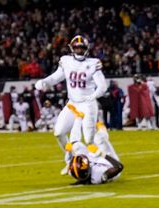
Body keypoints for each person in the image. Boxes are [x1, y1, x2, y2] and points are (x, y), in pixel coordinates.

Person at [35, 35, 108, 174]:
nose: (79, 50)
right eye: (76, 47)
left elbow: (102, 86)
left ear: (86, 49)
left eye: (81, 47)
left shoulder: (94, 63)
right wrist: (45, 82)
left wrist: (92, 96)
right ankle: (70, 161)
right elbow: (57, 76)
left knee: (88, 139)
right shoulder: (66, 61)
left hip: (88, 105)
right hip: (72, 104)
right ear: (71, 48)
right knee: (59, 132)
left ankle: (96, 166)